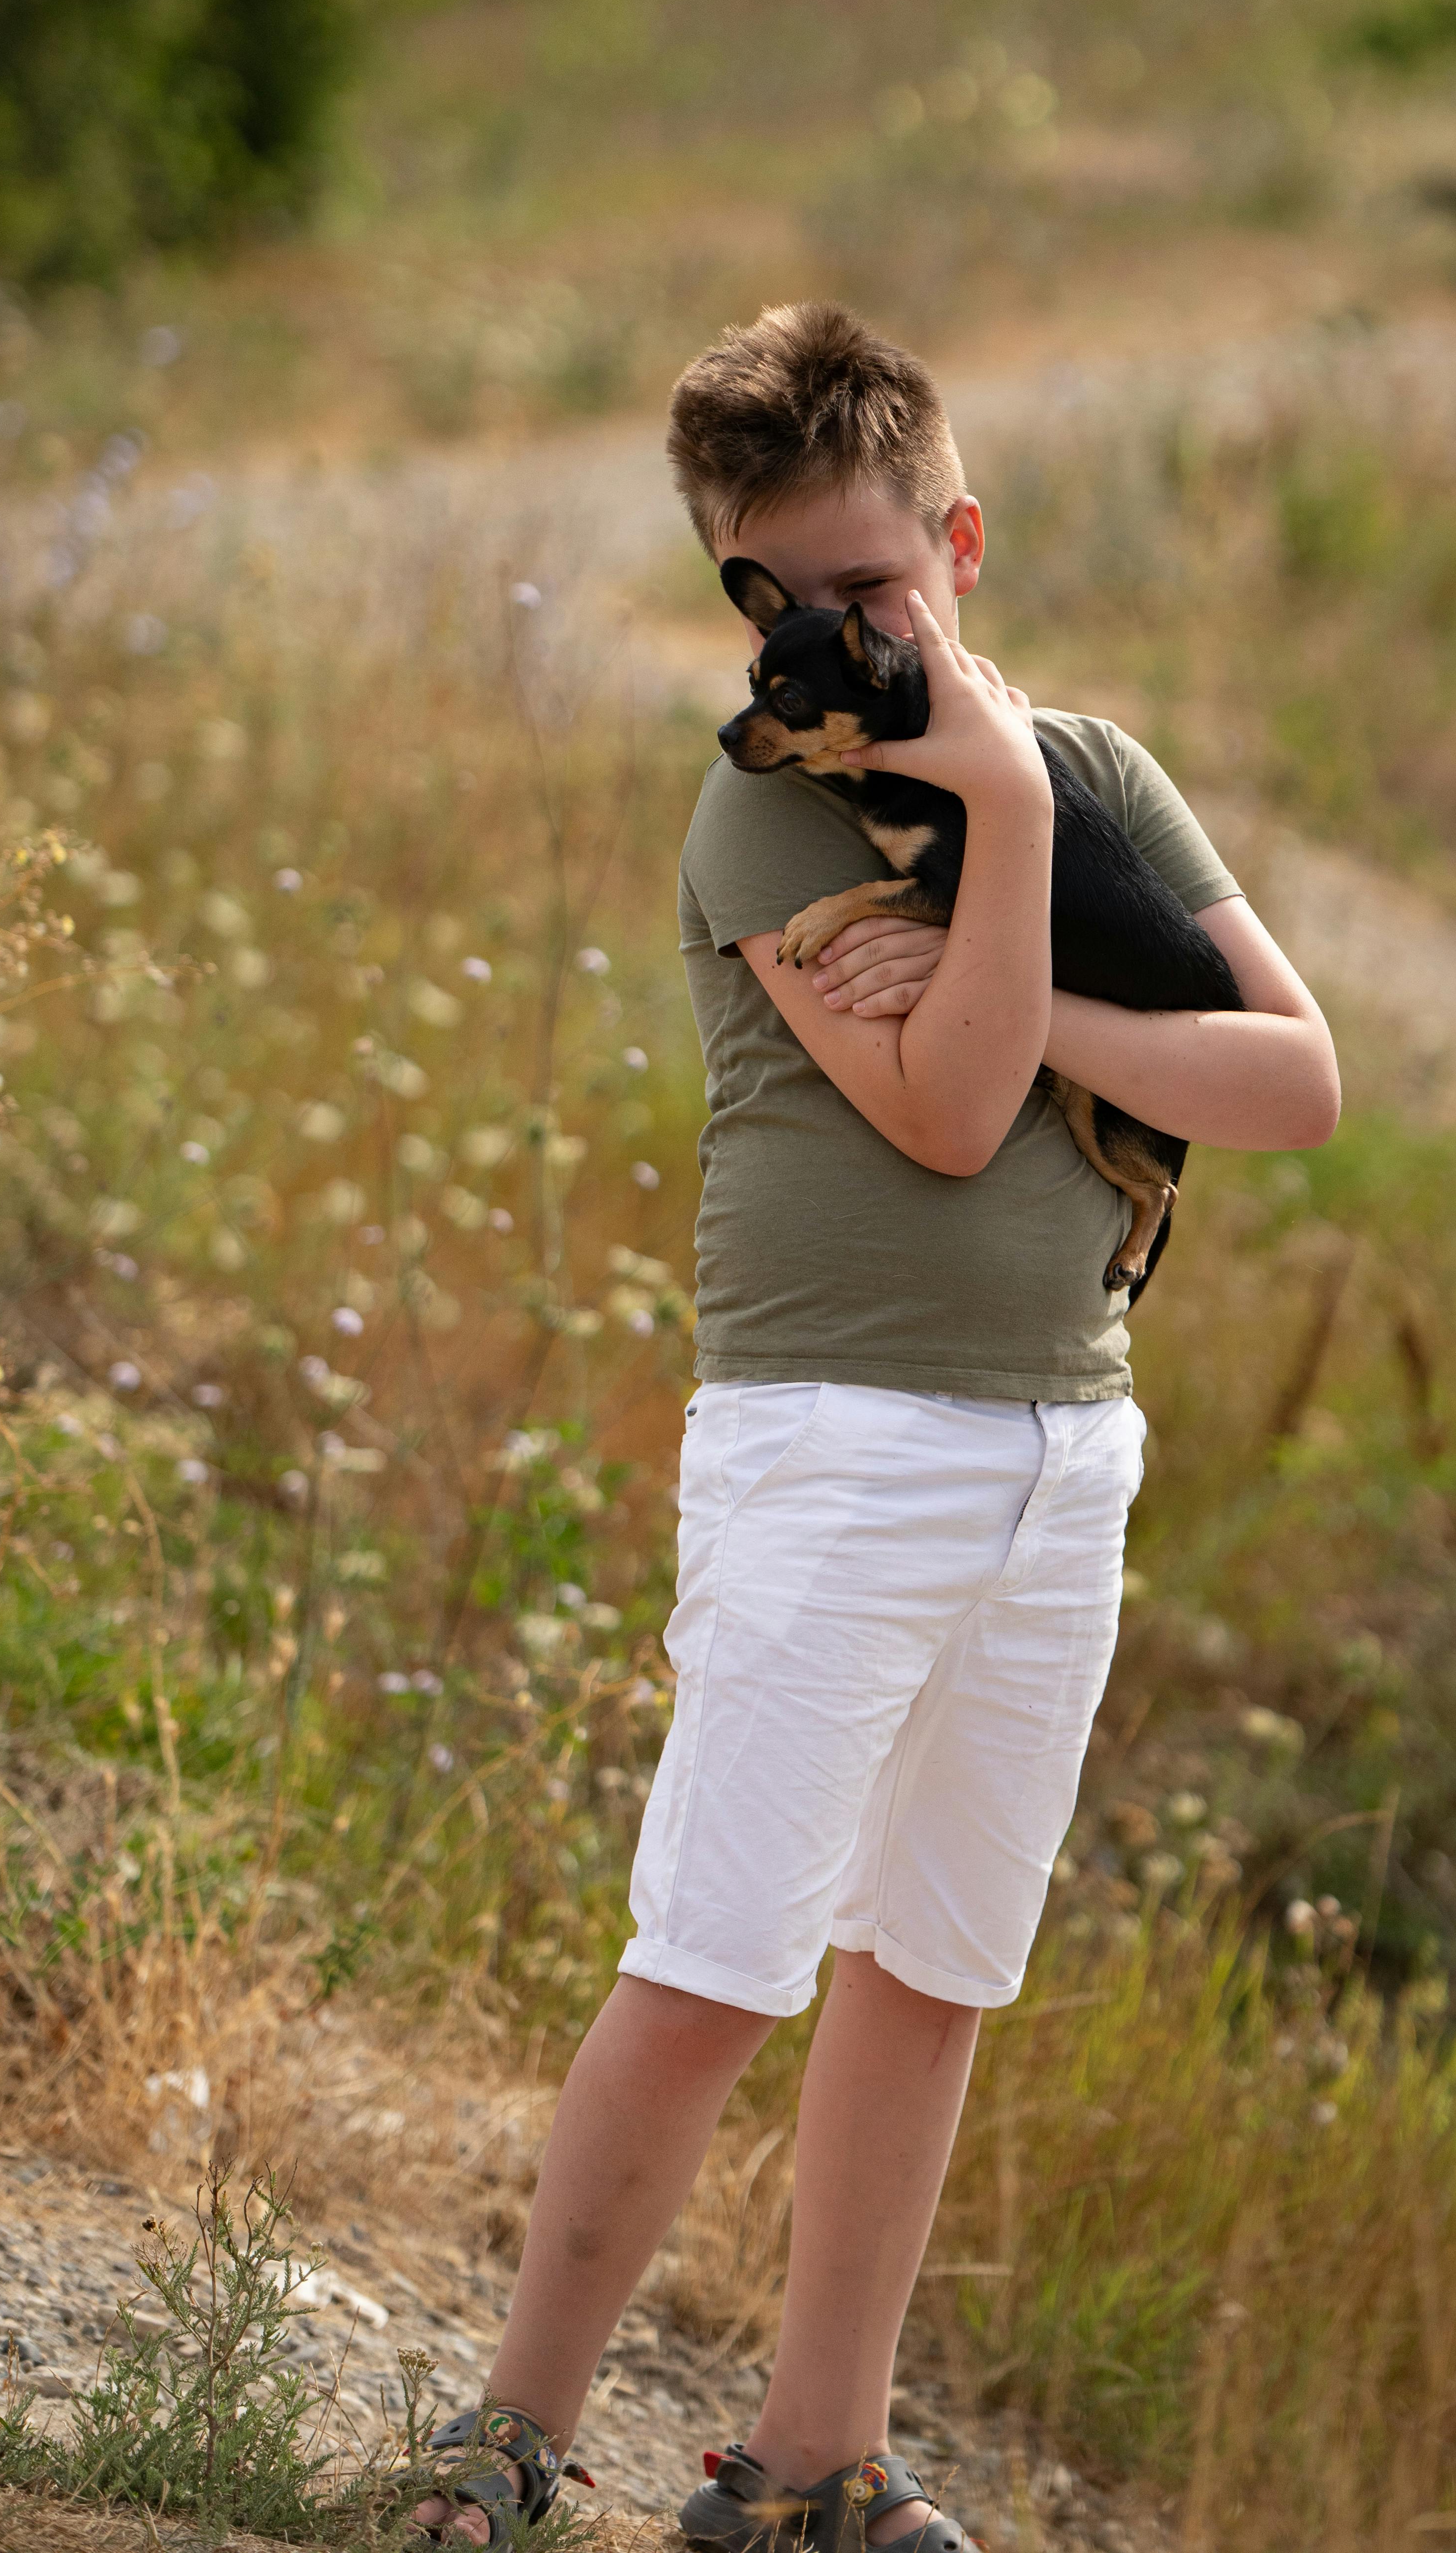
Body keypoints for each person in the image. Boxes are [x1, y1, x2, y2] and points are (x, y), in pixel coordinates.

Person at [409, 301, 1339, 2551]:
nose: (837, 642)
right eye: (787, 601)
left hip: (1061, 1447)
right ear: (734, 583)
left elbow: (1296, 1083)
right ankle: (514, 2437)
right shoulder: (767, 807)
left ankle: (813, 2462)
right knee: (722, 1958)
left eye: (878, 591)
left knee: (929, 1979)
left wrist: (1027, 892)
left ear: (961, 540)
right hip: (839, 1439)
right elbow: (935, 1123)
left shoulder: (1092, 773)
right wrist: (998, 844)